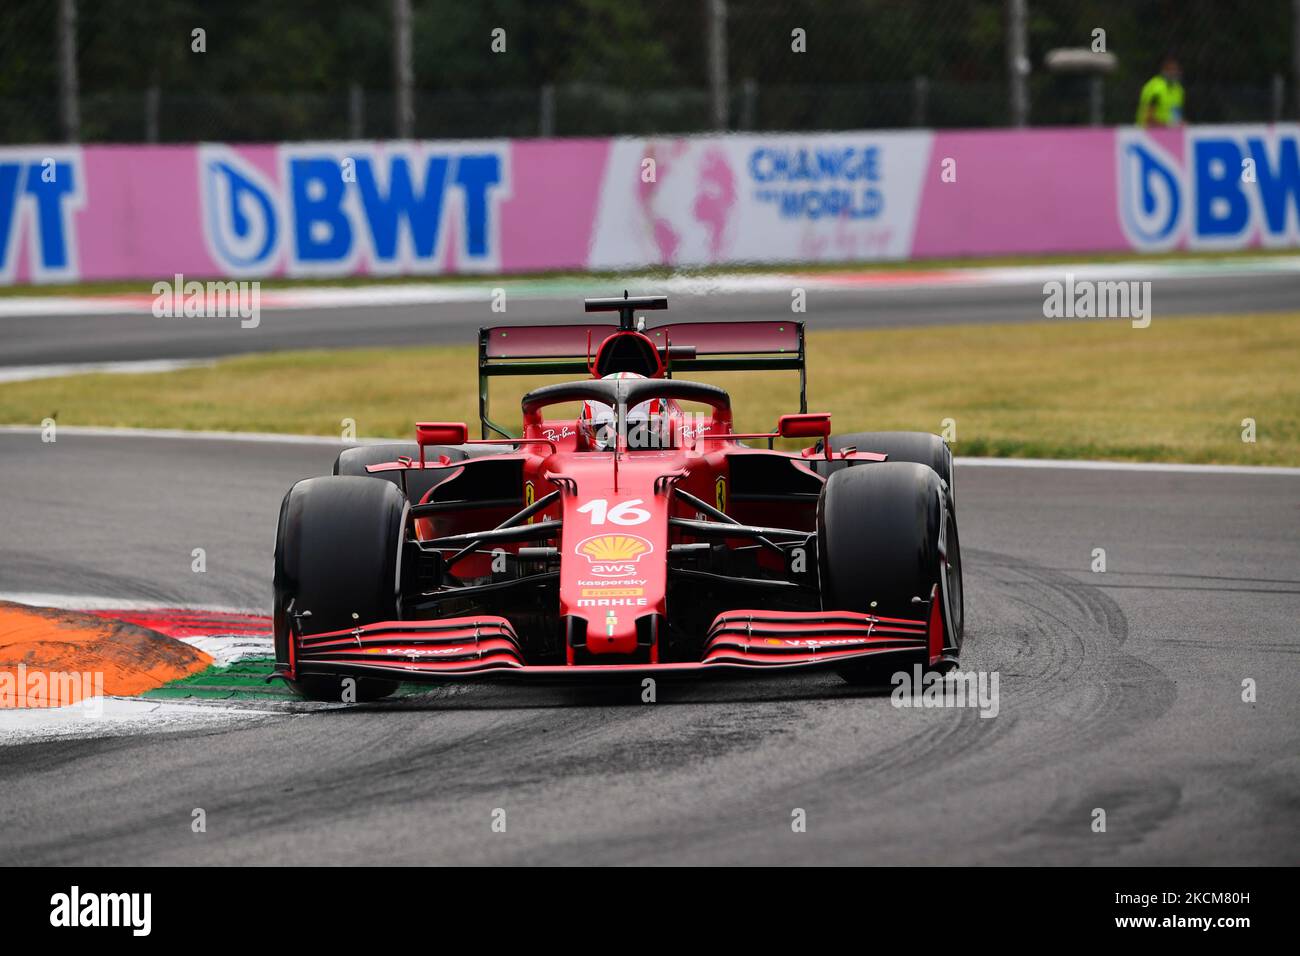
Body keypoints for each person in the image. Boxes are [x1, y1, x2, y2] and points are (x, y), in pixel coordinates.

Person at [1136, 55, 1184, 127]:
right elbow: (1148, 118)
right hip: (1149, 131)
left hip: (1171, 131)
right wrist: (1166, 127)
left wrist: (1181, 124)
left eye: (1176, 70)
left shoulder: (1178, 89)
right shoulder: (1156, 88)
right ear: (1164, 70)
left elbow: (1176, 114)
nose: (1175, 73)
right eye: (1172, 70)